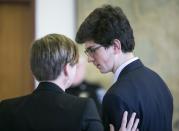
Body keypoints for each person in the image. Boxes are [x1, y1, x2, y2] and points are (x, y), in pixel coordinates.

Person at [0, 33, 139, 131]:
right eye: (75, 65)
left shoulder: (6, 109)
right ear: (67, 69)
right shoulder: (83, 109)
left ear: (33, 69)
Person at [75, 4, 173, 131]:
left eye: (92, 50)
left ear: (116, 46)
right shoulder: (159, 82)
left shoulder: (115, 97)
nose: (89, 58)